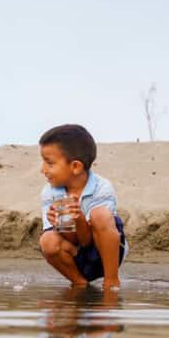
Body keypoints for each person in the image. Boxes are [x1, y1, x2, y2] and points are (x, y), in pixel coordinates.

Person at [38, 124, 128, 291]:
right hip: (76, 255)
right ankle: (79, 283)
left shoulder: (102, 188)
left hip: (106, 256)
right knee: (47, 240)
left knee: (100, 215)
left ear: (76, 167)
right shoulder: (50, 192)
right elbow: (78, 241)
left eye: (49, 163)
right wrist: (61, 226)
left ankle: (112, 282)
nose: (43, 170)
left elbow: (89, 242)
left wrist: (79, 219)